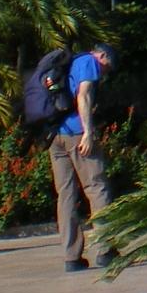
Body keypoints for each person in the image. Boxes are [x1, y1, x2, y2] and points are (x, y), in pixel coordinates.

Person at [53, 43, 116, 272]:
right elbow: (84, 95)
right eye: (108, 66)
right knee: (97, 187)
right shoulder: (88, 62)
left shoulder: (68, 63)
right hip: (77, 134)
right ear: (102, 55)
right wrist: (88, 132)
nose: (106, 72)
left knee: (66, 194)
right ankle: (105, 250)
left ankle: (71, 257)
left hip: (55, 135)